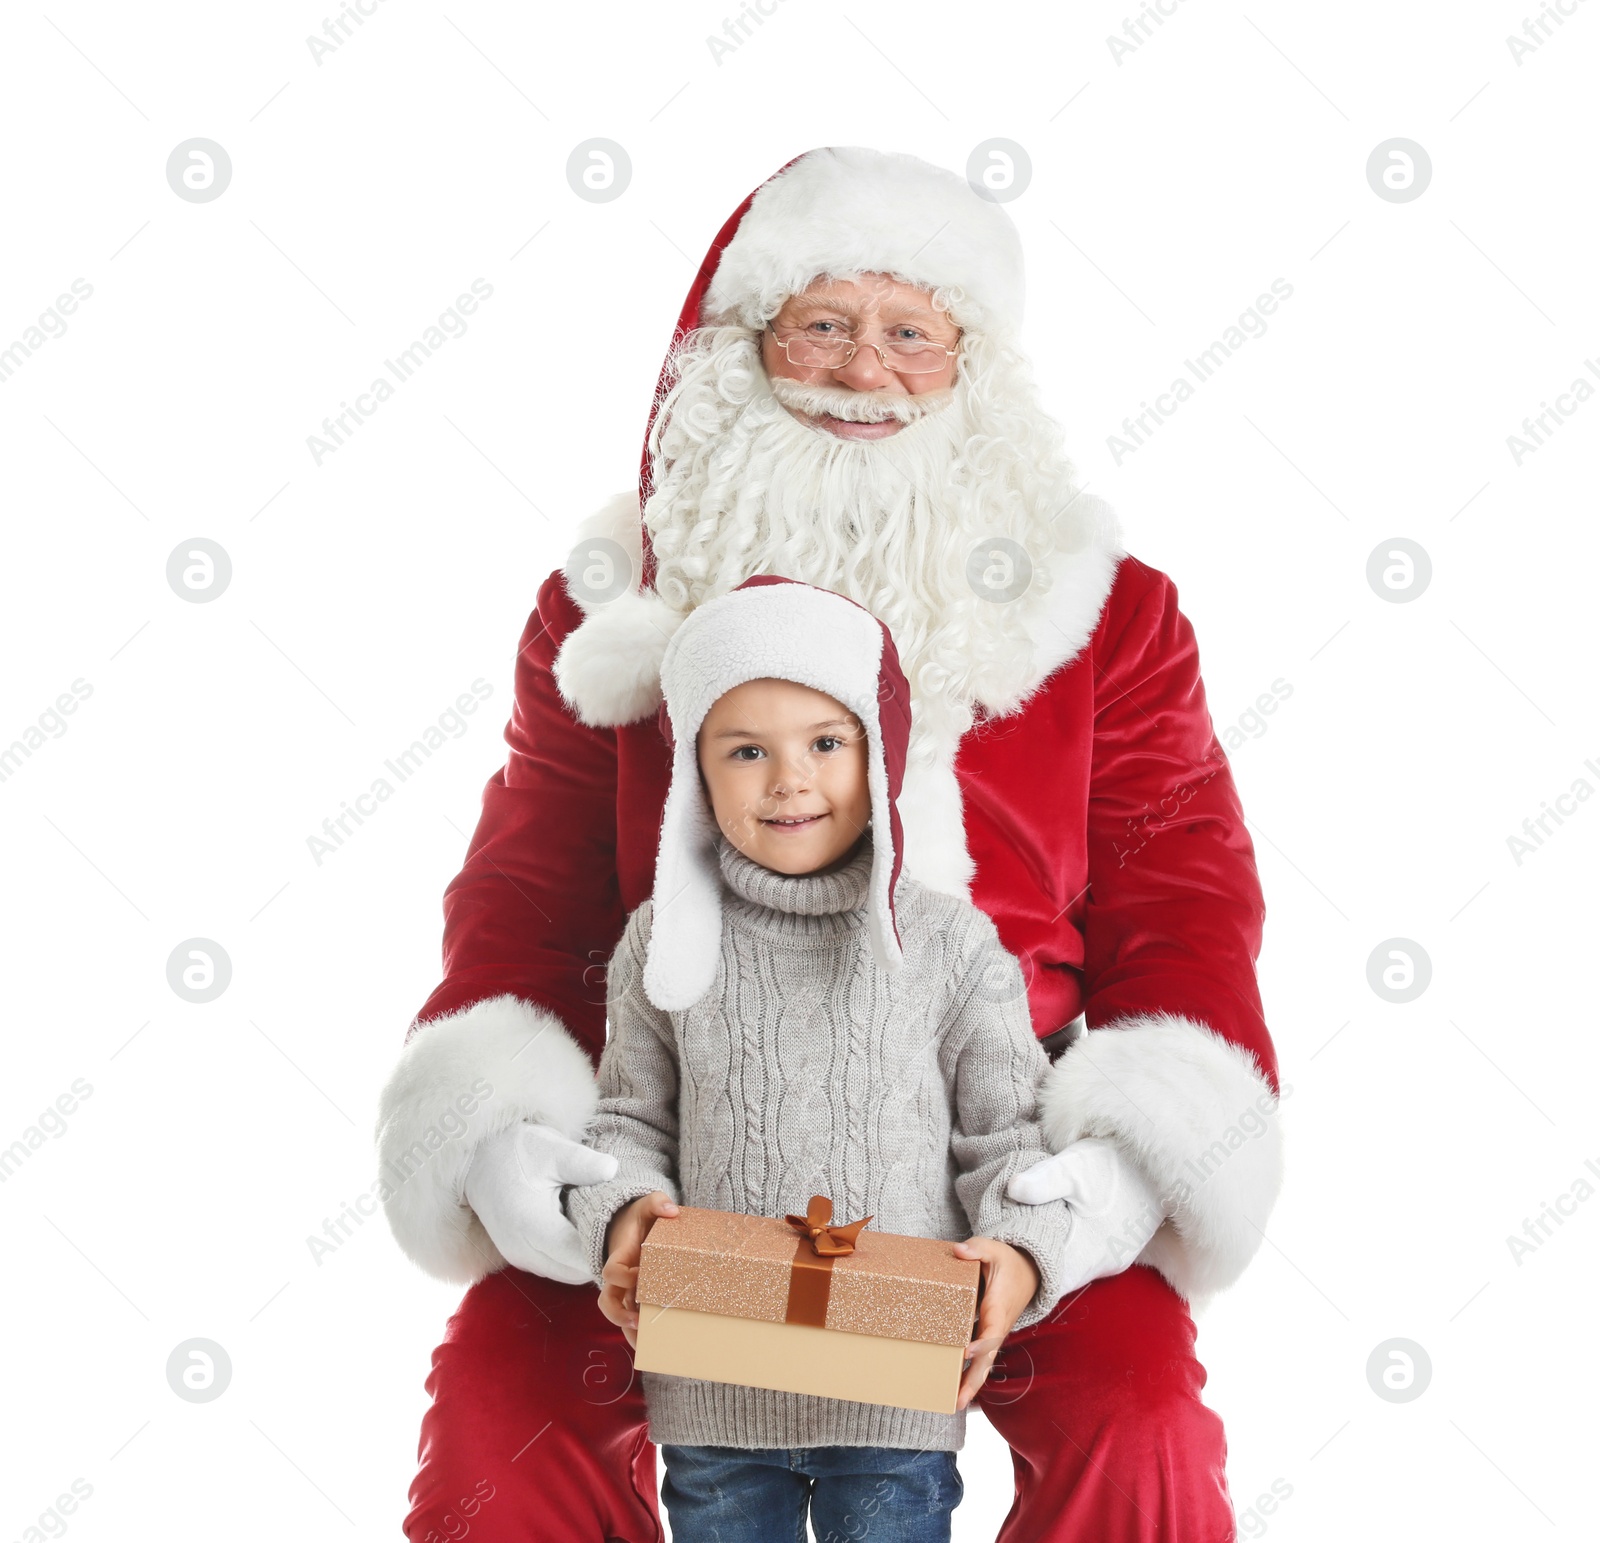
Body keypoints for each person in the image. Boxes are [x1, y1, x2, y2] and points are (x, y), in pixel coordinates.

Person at [375, 145, 1285, 1543]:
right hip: (679, 1156)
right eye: (822, 322)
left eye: (912, 331)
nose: (866, 373)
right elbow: (524, 900)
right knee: (504, 1422)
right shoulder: (605, 612)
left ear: (972, 364)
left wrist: (1101, 1187)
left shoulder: (1112, 619)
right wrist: (518, 1144)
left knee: (1141, 1423)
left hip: (1007, 1161)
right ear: (739, 350)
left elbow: (1189, 907)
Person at [565, 574, 1074, 1542]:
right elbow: (627, 1122)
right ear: (697, 775)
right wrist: (624, 1215)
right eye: (746, 750)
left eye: (825, 744)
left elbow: (1011, 1136)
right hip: (717, 1400)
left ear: (877, 756)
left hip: (892, 1398)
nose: (789, 779)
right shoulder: (662, 944)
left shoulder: (950, 948)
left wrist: (1017, 1254)